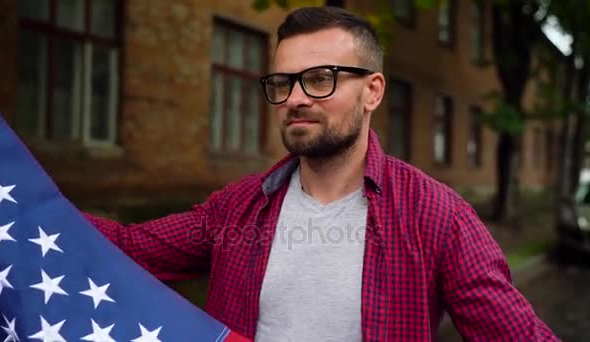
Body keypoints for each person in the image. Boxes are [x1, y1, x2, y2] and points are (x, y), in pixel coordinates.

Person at [84, 6, 560, 341]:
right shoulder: (237, 208)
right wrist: (17, 201)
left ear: (372, 91)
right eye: (283, 82)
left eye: (319, 79)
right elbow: (126, 249)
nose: (295, 98)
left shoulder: (437, 216)